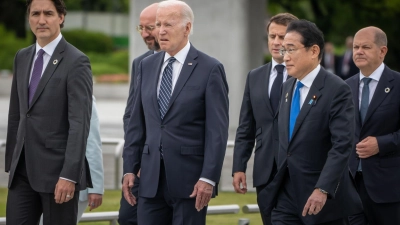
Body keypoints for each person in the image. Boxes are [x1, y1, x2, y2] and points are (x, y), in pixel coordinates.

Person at [122, 1, 229, 224]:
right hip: (150, 181)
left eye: (168, 24)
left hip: (191, 183)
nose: (160, 31)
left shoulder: (210, 69)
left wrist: (208, 178)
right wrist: (129, 169)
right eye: (158, 24)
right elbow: (136, 123)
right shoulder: (146, 66)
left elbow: (216, 132)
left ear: (187, 28)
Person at [257, 20, 363, 225]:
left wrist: (322, 188)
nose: (284, 56)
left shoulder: (337, 90)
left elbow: (341, 145)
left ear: (314, 50)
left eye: (291, 49)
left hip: (321, 199)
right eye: (283, 50)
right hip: (285, 196)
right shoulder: (287, 87)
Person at [5, 0, 93, 224]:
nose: (41, 20)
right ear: (29, 18)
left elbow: (79, 124)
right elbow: (17, 114)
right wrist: (12, 164)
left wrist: (69, 175)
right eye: (35, 14)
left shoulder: (77, 61)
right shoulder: (22, 57)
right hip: (22, 172)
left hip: (58, 175)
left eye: (48, 13)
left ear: (61, 17)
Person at [232, 12, 298, 225]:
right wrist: (238, 166)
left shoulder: (306, 77)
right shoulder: (255, 76)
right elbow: (246, 127)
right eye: (272, 37)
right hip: (265, 172)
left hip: (298, 172)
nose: (276, 42)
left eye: (282, 37)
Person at [346, 26, 400, 225]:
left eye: (365, 47)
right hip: (350, 188)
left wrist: (382, 143)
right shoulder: (345, 87)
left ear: (382, 51)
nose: (359, 51)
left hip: (388, 190)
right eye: (356, 47)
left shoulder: (398, 84)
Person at [119, 3, 160, 225]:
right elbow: (131, 117)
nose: (144, 34)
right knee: (127, 218)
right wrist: (135, 162)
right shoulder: (140, 64)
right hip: (141, 166)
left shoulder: (198, 66)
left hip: (173, 168)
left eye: (150, 27)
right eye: (140, 28)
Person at [39, 97, 104, 224]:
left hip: (76, 186)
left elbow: (92, 143)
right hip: (46, 181)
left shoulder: (82, 96)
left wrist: (96, 188)